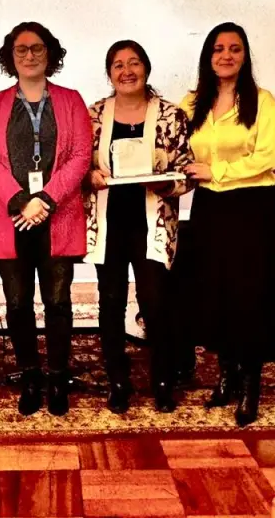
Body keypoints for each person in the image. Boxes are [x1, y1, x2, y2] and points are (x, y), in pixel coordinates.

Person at [0, 21, 92, 416]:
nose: (29, 55)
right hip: (11, 218)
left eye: (37, 48)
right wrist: (21, 200)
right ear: (11, 56)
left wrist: (44, 199)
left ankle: (58, 377)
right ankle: (29, 376)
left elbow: (80, 157)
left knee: (58, 302)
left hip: (55, 215)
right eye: (21, 49)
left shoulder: (71, 100)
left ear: (51, 54)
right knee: (18, 303)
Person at [179, 22, 275, 427]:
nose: (226, 55)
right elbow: (174, 146)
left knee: (250, 297)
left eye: (235, 49)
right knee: (217, 294)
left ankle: (250, 386)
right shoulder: (193, 103)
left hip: (251, 209)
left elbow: (266, 159)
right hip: (209, 209)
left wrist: (214, 170)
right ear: (208, 56)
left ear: (245, 56)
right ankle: (226, 375)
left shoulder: (263, 102)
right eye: (219, 49)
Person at [85, 40, 192, 413]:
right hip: (109, 223)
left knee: (156, 304)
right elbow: (78, 164)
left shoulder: (170, 115)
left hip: (153, 223)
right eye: (117, 64)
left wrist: (169, 183)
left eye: (134, 63)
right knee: (110, 302)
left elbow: (187, 170)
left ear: (146, 68)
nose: (126, 71)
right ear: (109, 72)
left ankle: (162, 379)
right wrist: (90, 175)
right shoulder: (94, 115)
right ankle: (118, 379)